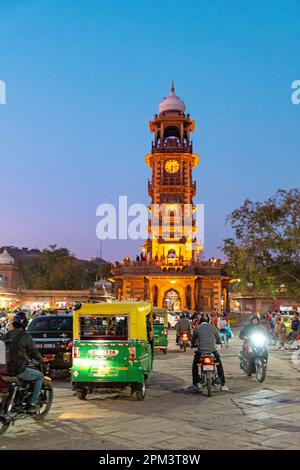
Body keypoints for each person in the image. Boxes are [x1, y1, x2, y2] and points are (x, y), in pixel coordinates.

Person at [2, 311, 43, 413]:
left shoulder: (6, 335)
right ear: (24, 324)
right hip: (17, 370)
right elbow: (33, 352)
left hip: (3, 370)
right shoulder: (25, 336)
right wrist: (41, 360)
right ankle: (32, 403)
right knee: (39, 376)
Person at [189, 314, 229, 392]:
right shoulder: (212, 327)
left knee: (195, 365)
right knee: (219, 365)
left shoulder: (197, 328)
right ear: (208, 320)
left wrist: (193, 345)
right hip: (212, 351)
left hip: (200, 351)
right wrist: (219, 342)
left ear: (200, 321)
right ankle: (223, 384)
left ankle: (195, 385)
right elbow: (218, 338)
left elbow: (193, 340)